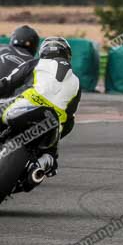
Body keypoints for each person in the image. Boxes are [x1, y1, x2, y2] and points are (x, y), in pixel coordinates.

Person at [0, 37, 81, 176]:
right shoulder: (76, 81)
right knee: (50, 155)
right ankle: (44, 162)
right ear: (67, 54)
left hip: (23, 108)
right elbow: (69, 119)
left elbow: (8, 83)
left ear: (43, 52)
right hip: (52, 124)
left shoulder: (36, 63)